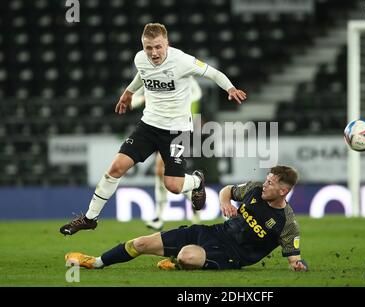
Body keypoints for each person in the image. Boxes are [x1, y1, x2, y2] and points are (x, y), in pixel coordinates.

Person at [60, 23, 247, 235]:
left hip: (177, 131)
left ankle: (196, 181)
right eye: (149, 48)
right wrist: (128, 93)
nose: (154, 52)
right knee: (116, 168)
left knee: (173, 186)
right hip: (148, 125)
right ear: (143, 46)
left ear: (167, 43)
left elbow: (213, 73)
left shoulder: (182, 61)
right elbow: (142, 74)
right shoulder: (140, 58)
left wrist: (230, 88)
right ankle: (89, 218)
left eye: (158, 47)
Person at [65, 166, 309, 272]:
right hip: (213, 232)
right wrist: (225, 202)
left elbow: (294, 259)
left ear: (283, 191)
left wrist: (298, 266)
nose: (265, 184)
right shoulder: (255, 189)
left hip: (230, 255)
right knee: (141, 244)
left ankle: (179, 263)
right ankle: (95, 262)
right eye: (266, 179)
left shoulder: (287, 224)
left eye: (271, 183)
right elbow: (227, 191)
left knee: (186, 255)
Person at [130, 77, 202, 231]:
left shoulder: (184, 75)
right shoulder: (150, 79)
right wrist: (145, 98)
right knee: (161, 173)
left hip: (178, 128)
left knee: (166, 172)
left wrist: (176, 100)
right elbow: (132, 101)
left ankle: (160, 216)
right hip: (156, 128)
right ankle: (193, 204)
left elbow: (197, 94)